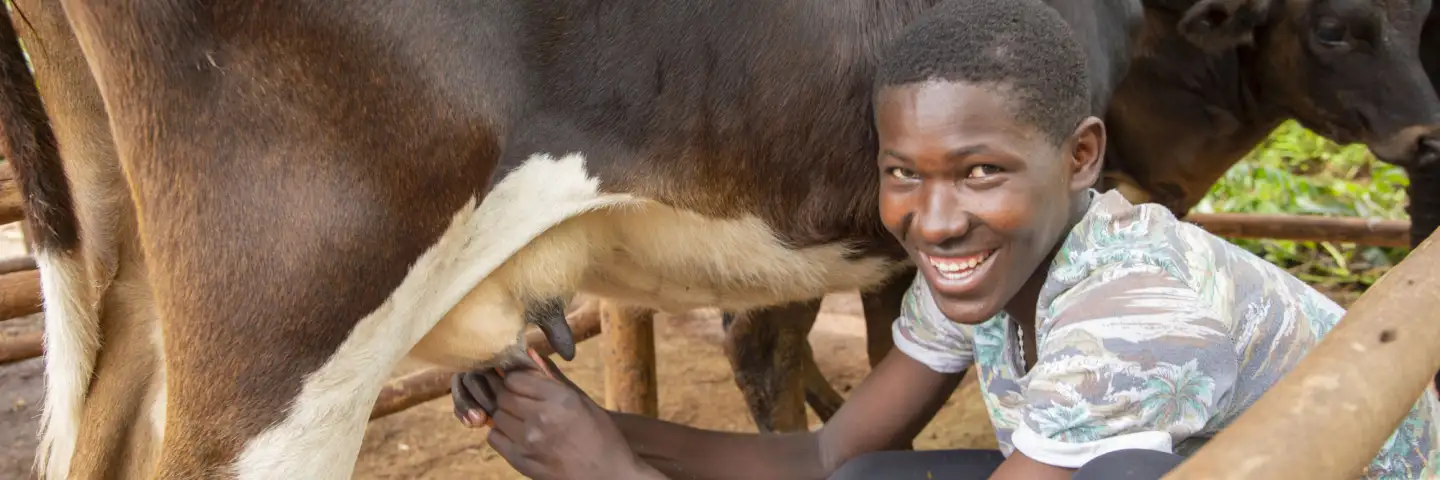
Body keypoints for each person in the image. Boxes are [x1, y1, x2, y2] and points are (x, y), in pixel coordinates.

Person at [447, 0, 1440, 478]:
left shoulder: (1132, 322)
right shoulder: (984, 263)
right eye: (901, 173)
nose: (933, 218)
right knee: (870, 474)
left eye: (981, 172)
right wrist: (602, 429)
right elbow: (827, 449)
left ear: (1084, 154)